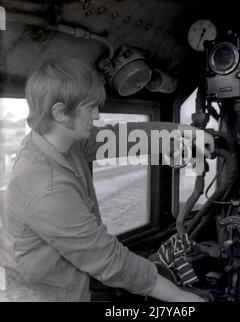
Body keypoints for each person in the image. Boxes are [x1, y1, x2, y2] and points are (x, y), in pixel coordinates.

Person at [0, 56, 214, 302]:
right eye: (90, 107)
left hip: (72, 283)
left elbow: (121, 138)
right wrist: (183, 299)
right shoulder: (45, 188)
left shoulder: (63, 142)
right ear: (60, 113)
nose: (97, 115)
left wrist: (186, 132)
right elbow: (110, 261)